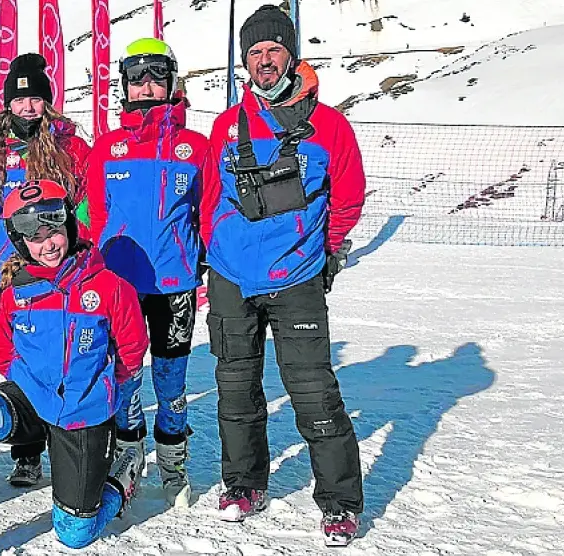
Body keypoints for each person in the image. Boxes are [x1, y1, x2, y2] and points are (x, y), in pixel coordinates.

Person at [201, 4, 366, 546]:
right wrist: (214, 250)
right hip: (231, 278)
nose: (264, 61)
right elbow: (209, 197)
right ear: (245, 62)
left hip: (297, 276)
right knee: (235, 387)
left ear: (291, 55)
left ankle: (339, 501)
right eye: (254, 53)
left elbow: (347, 196)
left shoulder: (330, 125)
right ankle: (244, 484)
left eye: (273, 50)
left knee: (314, 390)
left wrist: (330, 250)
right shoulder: (227, 125)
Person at [0, 180, 149, 556]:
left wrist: (104, 391)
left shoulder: (110, 287)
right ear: (20, 243)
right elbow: (1, 347)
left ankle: (123, 477)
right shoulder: (13, 294)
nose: (48, 245)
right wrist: (24, 379)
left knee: (75, 534)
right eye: (35, 238)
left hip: (83, 411)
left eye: (54, 233)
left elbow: (132, 347)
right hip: (32, 399)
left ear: (69, 227)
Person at [84, 37, 217, 508]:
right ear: (124, 85)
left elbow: (210, 214)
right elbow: (93, 216)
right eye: (136, 78)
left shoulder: (195, 147)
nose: (145, 86)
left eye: (155, 76)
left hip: (174, 285)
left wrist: (207, 263)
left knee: (171, 381)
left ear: (171, 82)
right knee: (124, 374)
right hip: (117, 287)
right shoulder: (107, 148)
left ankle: (174, 459)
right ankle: (128, 449)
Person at [0, 52, 90, 486]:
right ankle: (27, 451)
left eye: (35, 99)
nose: (26, 108)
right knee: (18, 356)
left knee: (60, 352)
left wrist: (84, 241)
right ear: (6, 104)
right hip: (8, 266)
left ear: (47, 102)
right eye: (18, 101)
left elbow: (89, 198)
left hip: (58, 261)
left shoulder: (69, 145)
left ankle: (70, 442)